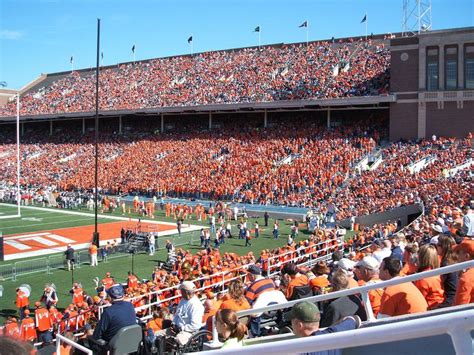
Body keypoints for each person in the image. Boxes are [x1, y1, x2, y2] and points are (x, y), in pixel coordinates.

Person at [286, 301, 361, 355]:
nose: (291, 324)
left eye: (291, 321)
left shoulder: (302, 350)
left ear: (299, 325)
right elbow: (354, 319)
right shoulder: (334, 334)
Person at [156, 281, 204, 350]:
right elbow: (177, 315)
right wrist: (173, 324)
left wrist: (182, 328)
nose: (180, 292)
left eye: (181, 291)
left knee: (173, 342)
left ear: (186, 292)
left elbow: (195, 325)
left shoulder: (196, 305)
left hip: (188, 332)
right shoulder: (183, 300)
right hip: (176, 329)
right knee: (157, 335)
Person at [413, 244, 445, 309]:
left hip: (430, 310)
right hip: (442, 306)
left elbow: (418, 300)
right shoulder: (441, 273)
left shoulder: (423, 278)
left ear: (421, 258)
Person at [453, 239, 474, 305]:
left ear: (466, 256)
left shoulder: (466, 278)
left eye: (458, 252)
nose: (457, 256)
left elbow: (459, 307)